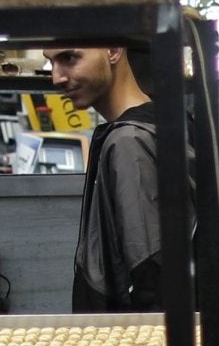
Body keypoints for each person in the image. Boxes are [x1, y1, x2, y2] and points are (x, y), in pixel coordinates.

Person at [51, 44, 164, 314]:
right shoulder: (155, 125)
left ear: (113, 50)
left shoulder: (129, 141)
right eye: (51, 63)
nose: (56, 77)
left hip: (134, 344)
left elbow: (150, 271)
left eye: (69, 58)